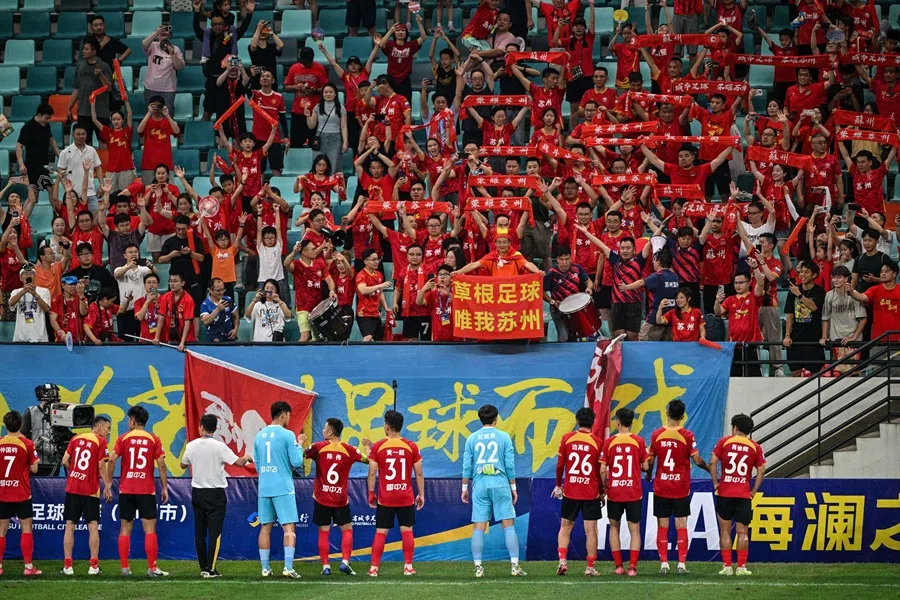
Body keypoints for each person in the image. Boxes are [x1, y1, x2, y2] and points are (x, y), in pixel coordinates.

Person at [180, 413, 252, 578]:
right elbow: (239, 463)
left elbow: (183, 464)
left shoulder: (191, 445)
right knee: (214, 532)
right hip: (216, 493)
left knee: (199, 531)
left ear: (201, 427)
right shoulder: (219, 446)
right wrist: (248, 458)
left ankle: (203, 567)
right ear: (215, 429)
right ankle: (210, 569)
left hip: (198, 492)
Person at [299, 418, 372, 576]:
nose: (323, 431)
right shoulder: (349, 449)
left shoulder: (318, 447)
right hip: (340, 499)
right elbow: (370, 461)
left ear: (330, 432)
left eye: (325, 428)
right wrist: (367, 446)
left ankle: (326, 566)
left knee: (323, 532)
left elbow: (300, 456)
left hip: (321, 498)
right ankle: (345, 562)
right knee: (347, 530)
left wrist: (300, 442)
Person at [461, 404, 524, 579]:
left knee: (479, 527)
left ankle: (478, 568)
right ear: (496, 418)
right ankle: (514, 566)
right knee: (508, 525)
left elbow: (467, 466)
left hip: (480, 484)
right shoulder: (503, 437)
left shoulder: (472, 438)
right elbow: (510, 465)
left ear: (480, 419)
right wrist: (513, 488)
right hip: (500, 482)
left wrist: (464, 488)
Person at [647, 399, 709, 575]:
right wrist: (708, 467)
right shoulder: (688, 435)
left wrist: (649, 474)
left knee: (662, 525)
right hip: (680, 487)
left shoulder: (657, 434)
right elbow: (697, 460)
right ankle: (681, 564)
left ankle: (664, 564)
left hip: (662, 486)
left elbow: (651, 459)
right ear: (682, 416)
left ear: (667, 413)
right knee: (681, 525)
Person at [107, 405, 169, 577]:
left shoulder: (123, 438)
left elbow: (111, 460)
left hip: (127, 489)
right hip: (146, 489)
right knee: (149, 529)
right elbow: (162, 466)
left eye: (129, 419)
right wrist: (164, 488)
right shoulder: (153, 439)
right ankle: (151, 568)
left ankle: (125, 568)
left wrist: (108, 483)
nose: (128, 422)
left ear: (133, 420)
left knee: (125, 528)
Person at [367, 410, 425, 577]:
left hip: (386, 498)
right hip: (405, 497)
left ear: (387, 426)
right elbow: (419, 473)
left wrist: (371, 493)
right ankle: (408, 567)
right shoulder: (411, 446)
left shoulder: (378, 446)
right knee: (407, 531)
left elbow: (372, 473)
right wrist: (421, 494)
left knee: (380, 532)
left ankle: (374, 568)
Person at [709, 414, 766, 576]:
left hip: (725, 492)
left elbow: (713, 462)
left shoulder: (724, 442)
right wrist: (753, 491)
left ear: (735, 428)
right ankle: (741, 567)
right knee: (743, 532)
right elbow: (761, 470)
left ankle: (727, 566)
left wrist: (715, 483)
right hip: (743, 494)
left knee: (725, 531)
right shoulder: (755, 447)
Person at [253, 401, 305, 579]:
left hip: (265, 487)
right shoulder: (288, 434)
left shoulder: (259, 436)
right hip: (282, 486)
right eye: (289, 415)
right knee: (289, 527)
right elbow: (297, 462)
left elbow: (258, 465)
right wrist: (299, 443)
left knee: (265, 528)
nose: (289, 418)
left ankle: (265, 568)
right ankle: (288, 567)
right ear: (283, 414)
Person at [552, 407, 603, 577]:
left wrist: (559, 484)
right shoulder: (597, 442)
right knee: (591, 530)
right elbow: (599, 471)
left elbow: (560, 465)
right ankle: (590, 567)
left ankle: (562, 561)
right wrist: (602, 492)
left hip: (571, 490)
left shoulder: (567, 438)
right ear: (593, 422)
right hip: (590, 492)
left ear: (577, 420)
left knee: (565, 527)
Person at [60, 415, 112, 576]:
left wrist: (75, 474)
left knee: (70, 526)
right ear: (98, 427)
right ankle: (93, 566)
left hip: (73, 487)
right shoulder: (100, 442)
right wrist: (108, 486)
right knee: (93, 526)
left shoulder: (76, 439)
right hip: (90, 489)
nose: (108, 432)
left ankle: (68, 566)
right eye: (107, 428)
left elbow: (64, 461)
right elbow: (101, 466)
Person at [600, 408, 649, 577]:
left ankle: (619, 566)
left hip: (615, 492)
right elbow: (646, 466)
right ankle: (633, 567)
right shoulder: (639, 441)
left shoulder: (609, 442)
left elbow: (602, 469)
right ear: (631, 422)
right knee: (634, 529)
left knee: (614, 527)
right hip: (633, 492)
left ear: (618, 422)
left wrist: (604, 488)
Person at [0, 410, 42, 576]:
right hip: (22, 493)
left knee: (1, 530)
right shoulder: (27, 444)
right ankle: (28, 567)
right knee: (26, 528)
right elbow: (34, 468)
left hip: (3, 492)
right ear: (21, 425)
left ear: (5, 425)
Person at [716, 266, 767, 376]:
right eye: (735, 283)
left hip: (751, 344)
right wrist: (717, 302)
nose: (737, 285)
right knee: (735, 378)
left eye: (740, 282)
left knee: (754, 378)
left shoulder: (753, 296)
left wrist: (755, 268)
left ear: (748, 283)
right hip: (734, 345)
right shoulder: (730, 300)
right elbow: (718, 312)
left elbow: (761, 284)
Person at [820, 266, 867, 374]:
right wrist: (824, 336)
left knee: (853, 373)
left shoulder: (854, 294)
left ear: (846, 279)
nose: (835, 280)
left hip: (853, 342)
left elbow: (863, 318)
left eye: (839, 277)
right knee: (837, 373)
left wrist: (853, 337)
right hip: (836, 340)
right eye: (834, 277)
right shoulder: (829, 295)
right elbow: (825, 318)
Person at [783, 261, 827, 376]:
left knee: (815, 374)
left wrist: (799, 295)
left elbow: (813, 307)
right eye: (801, 272)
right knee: (795, 372)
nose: (802, 275)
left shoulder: (820, 291)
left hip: (813, 339)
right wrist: (787, 335)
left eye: (806, 272)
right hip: (796, 339)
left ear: (814, 275)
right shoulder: (793, 290)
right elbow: (790, 314)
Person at [69, 40, 114, 145]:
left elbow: (109, 88)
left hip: (101, 112)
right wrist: (69, 107)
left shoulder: (103, 66)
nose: (83, 51)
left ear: (93, 52)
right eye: (83, 49)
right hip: (83, 112)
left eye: (86, 49)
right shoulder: (80, 66)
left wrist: (101, 75)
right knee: (85, 143)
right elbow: (76, 88)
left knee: (103, 143)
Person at [543, 246, 592, 343]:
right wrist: (552, 301)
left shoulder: (577, 268)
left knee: (575, 336)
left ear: (571, 258)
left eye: (567, 259)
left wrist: (589, 288)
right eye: (561, 259)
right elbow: (541, 291)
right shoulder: (551, 273)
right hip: (558, 309)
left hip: (575, 309)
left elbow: (588, 281)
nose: (564, 262)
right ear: (557, 260)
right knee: (564, 338)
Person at [285, 47, 329, 150]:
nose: (304, 64)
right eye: (303, 61)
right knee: (296, 144)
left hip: (315, 112)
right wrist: (295, 87)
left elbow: (326, 88)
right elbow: (286, 87)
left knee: (316, 145)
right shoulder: (294, 68)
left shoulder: (319, 68)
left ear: (312, 59)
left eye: (307, 62)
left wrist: (314, 90)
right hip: (298, 111)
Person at [306, 83, 349, 182]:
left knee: (333, 165)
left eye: (330, 92)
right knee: (318, 165)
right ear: (322, 94)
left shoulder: (341, 108)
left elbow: (343, 126)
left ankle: (332, 188)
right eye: (326, 92)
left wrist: (345, 142)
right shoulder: (318, 107)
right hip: (320, 138)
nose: (328, 94)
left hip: (335, 138)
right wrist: (308, 116)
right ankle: (317, 188)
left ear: (335, 94)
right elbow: (311, 125)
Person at [160, 215, 206, 306]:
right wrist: (171, 255)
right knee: (173, 308)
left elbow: (201, 258)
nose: (180, 231)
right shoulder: (170, 241)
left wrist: (190, 253)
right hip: (175, 281)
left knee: (195, 309)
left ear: (188, 228)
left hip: (192, 280)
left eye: (183, 229)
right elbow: (160, 259)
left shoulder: (195, 240)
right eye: (178, 229)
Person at [57, 124, 104, 213]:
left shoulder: (92, 150)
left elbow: (98, 168)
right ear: (73, 135)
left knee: (96, 218)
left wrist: (102, 185)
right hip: (73, 196)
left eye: (83, 134)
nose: (81, 136)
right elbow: (60, 173)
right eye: (78, 134)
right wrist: (68, 190)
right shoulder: (65, 153)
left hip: (90, 194)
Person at [141, 26, 186, 114]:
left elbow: (179, 67)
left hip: (168, 90)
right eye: (161, 31)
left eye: (166, 31)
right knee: (151, 116)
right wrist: (157, 32)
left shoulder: (175, 49)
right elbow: (144, 44)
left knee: (167, 116)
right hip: (151, 87)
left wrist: (172, 54)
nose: (163, 32)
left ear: (170, 35)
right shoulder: (153, 45)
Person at [16, 104, 60, 191]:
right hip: (32, 166)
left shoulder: (46, 125)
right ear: (39, 115)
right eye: (46, 118)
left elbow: (52, 141)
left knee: (34, 197)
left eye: (49, 118)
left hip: (44, 165)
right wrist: (21, 165)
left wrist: (60, 156)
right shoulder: (28, 127)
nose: (48, 121)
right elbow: (19, 146)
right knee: (50, 189)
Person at [137, 99, 180, 183]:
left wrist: (167, 115)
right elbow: (139, 130)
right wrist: (149, 113)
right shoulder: (147, 121)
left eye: (159, 106)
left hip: (166, 164)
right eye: (154, 106)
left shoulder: (167, 121)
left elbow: (177, 131)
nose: (156, 108)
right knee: (148, 191)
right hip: (148, 164)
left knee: (167, 191)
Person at [355, 248, 391, 342]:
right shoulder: (361, 275)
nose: (377, 262)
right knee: (368, 337)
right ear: (365, 261)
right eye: (373, 260)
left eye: (378, 259)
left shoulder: (379, 275)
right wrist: (380, 285)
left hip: (375, 313)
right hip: (364, 314)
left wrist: (386, 307)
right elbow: (363, 290)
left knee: (379, 340)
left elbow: (380, 293)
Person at [9, 266, 52, 343]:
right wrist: (23, 291)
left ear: (35, 277)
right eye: (25, 273)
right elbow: (11, 303)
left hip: (39, 337)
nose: (28, 275)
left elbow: (47, 309)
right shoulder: (15, 292)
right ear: (20, 278)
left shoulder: (44, 291)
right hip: (20, 337)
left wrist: (35, 295)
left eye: (31, 273)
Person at [155, 272, 197, 351]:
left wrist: (182, 342)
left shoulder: (188, 300)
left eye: (175, 281)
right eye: (170, 281)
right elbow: (161, 317)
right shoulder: (166, 297)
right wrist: (156, 337)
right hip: (170, 338)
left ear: (182, 283)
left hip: (186, 340)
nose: (172, 284)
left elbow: (187, 322)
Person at [416, 264, 456, 342]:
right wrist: (423, 289)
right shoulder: (433, 293)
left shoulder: (457, 290)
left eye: (445, 274)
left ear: (451, 278)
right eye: (440, 275)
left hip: (455, 337)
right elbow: (419, 302)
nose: (442, 277)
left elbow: (463, 303)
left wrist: (449, 294)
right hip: (438, 337)